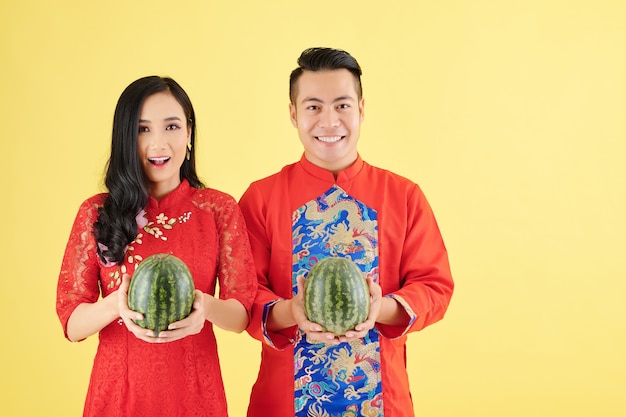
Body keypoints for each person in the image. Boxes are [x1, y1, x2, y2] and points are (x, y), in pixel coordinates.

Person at [238, 47, 454, 416]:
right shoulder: (261, 197)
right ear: (293, 114)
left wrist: (380, 308)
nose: (329, 121)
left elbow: (435, 286)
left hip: (382, 400)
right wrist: (292, 312)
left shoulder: (403, 196)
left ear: (361, 109)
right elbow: (242, 295)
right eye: (313, 107)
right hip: (282, 402)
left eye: (341, 105)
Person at [56, 76, 257, 417]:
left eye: (172, 127)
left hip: (195, 397)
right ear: (125, 137)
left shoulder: (218, 210)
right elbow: (72, 323)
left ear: (189, 133)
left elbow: (241, 314)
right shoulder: (96, 213)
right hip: (118, 397)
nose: (158, 143)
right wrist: (113, 307)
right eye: (143, 129)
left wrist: (204, 308)